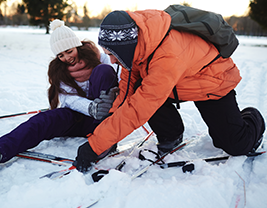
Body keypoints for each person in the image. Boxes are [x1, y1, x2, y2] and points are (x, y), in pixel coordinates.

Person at [73, 9, 265, 172]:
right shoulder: (135, 48)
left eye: (113, 55)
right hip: (178, 83)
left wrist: (94, 146)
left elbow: (140, 107)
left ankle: (252, 118)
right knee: (142, 87)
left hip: (212, 83)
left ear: (125, 46)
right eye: (108, 54)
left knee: (235, 145)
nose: (112, 61)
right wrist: (107, 135)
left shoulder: (167, 53)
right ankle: (171, 133)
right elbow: (126, 94)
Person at [0, 19, 118, 164]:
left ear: (77, 46)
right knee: (42, 120)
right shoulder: (59, 69)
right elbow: (68, 99)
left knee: (103, 70)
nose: (66, 58)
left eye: (69, 51)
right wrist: (91, 108)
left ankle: (105, 140)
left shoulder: (99, 57)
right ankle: (3, 149)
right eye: (61, 55)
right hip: (77, 116)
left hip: (103, 121)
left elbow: (119, 78)